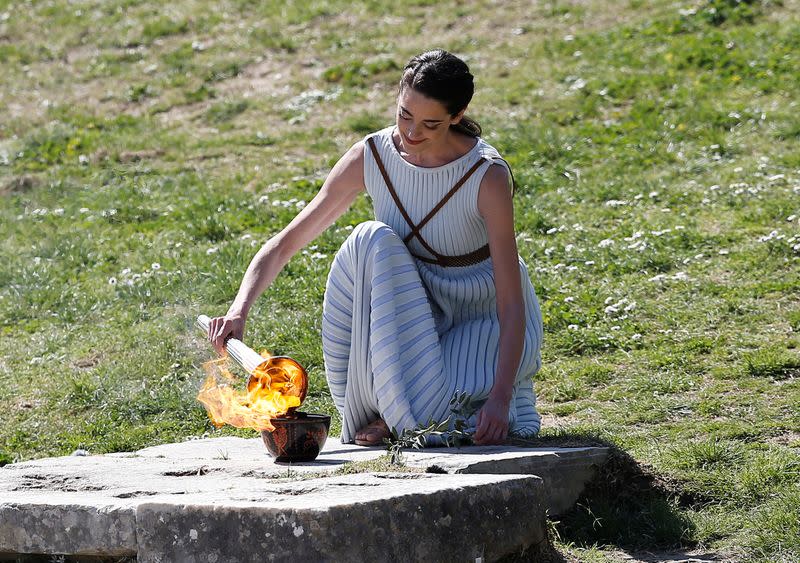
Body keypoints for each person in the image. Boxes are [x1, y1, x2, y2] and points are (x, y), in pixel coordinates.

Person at [208, 49, 543, 446]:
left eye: (430, 123)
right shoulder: (372, 156)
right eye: (404, 115)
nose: (412, 132)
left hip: (482, 318)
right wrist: (238, 310)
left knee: (434, 419)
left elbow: (510, 302)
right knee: (370, 238)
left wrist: (502, 397)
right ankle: (390, 408)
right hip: (408, 310)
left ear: (457, 115)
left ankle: (409, 410)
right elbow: (285, 243)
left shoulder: (486, 176)